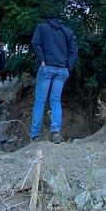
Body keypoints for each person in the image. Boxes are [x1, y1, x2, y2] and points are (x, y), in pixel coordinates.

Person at [30, 13, 78, 144]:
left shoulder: (42, 27)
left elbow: (35, 43)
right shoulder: (68, 32)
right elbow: (74, 50)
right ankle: (56, 133)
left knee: (40, 101)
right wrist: (68, 67)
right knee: (55, 101)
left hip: (46, 68)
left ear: (49, 19)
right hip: (62, 70)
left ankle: (35, 135)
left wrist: (42, 60)